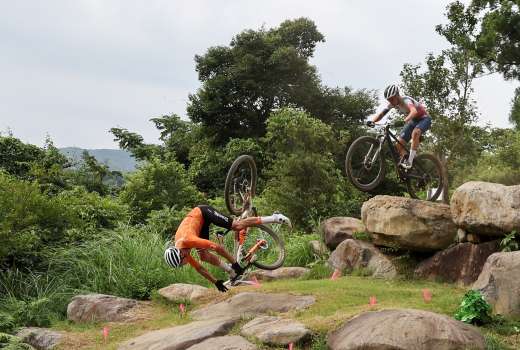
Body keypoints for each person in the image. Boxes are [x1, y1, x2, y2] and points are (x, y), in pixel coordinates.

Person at [163, 205, 290, 292]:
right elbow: (200, 268)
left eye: (182, 263)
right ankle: (231, 271)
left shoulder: (188, 240)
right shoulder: (182, 252)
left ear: (182, 255)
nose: (184, 265)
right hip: (198, 226)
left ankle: (274, 217)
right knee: (203, 256)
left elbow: (217, 247)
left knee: (237, 226)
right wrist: (216, 282)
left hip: (203, 213)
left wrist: (235, 263)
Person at [368, 84, 432, 169]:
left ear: (397, 95)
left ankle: (410, 161)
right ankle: (407, 162)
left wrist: (404, 121)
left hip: (424, 119)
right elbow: (381, 114)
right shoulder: (392, 104)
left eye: (391, 99)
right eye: (388, 100)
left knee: (415, 133)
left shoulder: (406, 100)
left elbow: (414, 112)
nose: (390, 101)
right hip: (413, 121)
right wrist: (372, 121)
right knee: (398, 145)